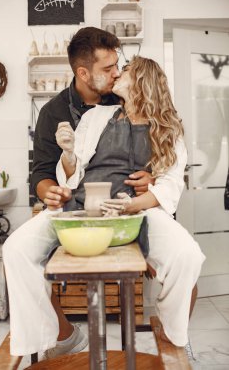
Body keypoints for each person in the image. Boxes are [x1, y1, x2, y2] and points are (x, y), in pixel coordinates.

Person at [2, 27, 153, 358]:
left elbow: (156, 147)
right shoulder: (53, 112)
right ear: (83, 72)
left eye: (118, 65)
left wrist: (151, 180)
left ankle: (159, 341)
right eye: (108, 68)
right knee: (15, 250)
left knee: (172, 256)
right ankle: (61, 336)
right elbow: (41, 174)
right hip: (72, 207)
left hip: (124, 208)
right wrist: (50, 192)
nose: (117, 73)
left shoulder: (124, 98)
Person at [55, 56, 206, 347]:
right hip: (88, 205)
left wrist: (132, 206)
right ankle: (64, 337)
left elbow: (170, 185)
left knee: (187, 256)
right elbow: (71, 178)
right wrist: (68, 153)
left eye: (125, 69)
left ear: (142, 80)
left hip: (140, 209)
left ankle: (171, 338)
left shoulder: (168, 129)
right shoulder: (96, 116)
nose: (117, 73)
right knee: (25, 254)